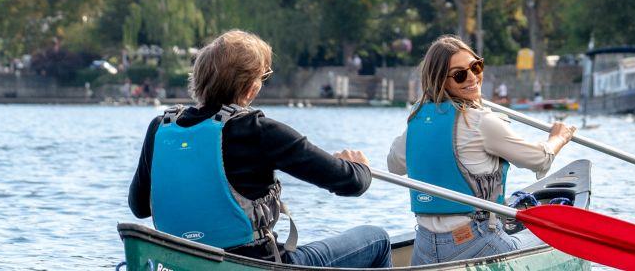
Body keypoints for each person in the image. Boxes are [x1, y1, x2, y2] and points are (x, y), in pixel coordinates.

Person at [130, 30, 391, 267]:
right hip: (257, 264)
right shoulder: (259, 131)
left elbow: (139, 207)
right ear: (251, 86)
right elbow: (350, 183)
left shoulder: (159, 128)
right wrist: (360, 167)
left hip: (183, 264)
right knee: (377, 239)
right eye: (262, 77)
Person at [386, 36, 575, 264]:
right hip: (475, 239)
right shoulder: (481, 121)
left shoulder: (415, 121)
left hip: (425, 245)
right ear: (441, 81)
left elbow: (394, 166)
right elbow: (539, 159)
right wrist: (558, 138)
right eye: (459, 75)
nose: (473, 78)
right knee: (552, 242)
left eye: (476, 66)